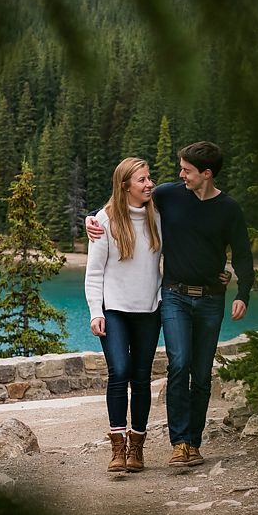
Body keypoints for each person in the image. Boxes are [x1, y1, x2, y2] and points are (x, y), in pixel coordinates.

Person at [87, 141, 253, 468]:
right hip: (169, 297)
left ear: (206, 174)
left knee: (198, 373)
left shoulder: (216, 209)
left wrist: (238, 285)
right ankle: (167, 444)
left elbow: (234, 250)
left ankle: (186, 441)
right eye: (180, 169)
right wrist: (90, 217)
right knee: (173, 365)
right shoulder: (167, 195)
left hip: (191, 301)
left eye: (187, 170)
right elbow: (115, 207)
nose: (179, 175)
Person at [85, 157, 162, 472]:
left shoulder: (159, 218)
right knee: (119, 372)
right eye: (142, 180)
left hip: (148, 310)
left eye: (149, 178)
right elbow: (94, 273)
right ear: (125, 185)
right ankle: (117, 447)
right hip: (113, 309)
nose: (149, 184)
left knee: (142, 378)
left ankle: (137, 447)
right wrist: (94, 312)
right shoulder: (104, 220)